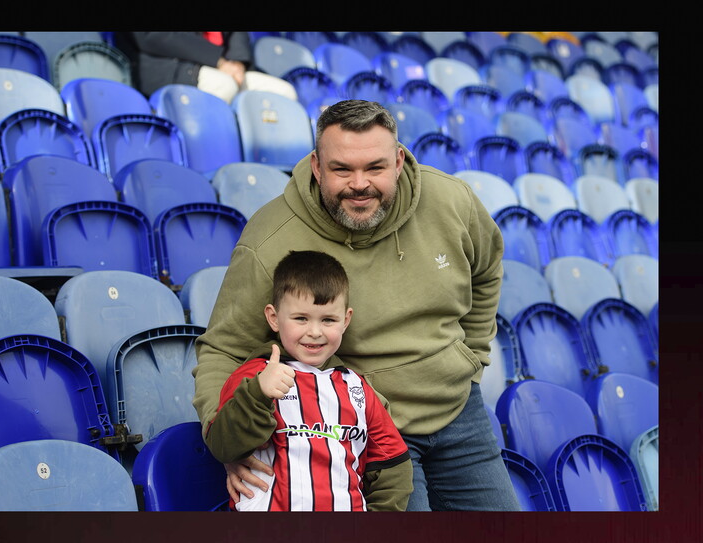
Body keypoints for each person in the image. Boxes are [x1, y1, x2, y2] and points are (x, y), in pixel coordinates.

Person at [192, 99, 520, 511]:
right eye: (341, 169)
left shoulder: (452, 201)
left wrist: (471, 358)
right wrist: (227, 442)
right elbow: (224, 348)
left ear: (398, 161)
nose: (359, 183)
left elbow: (487, 268)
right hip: (363, 431)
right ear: (316, 165)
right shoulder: (269, 237)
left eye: (375, 168)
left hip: (459, 410)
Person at [205, 250, 412, 511]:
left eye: (328, 320)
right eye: (301, 318)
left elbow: (393, 466)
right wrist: (258, 394)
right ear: (273, 318)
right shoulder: (253, 377)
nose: (314, 332)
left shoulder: (357, 389)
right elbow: (224, 447)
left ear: (346, 320)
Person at [114, 32, 295, 103]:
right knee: (223, 86)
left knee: (284, 92)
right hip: (169, 65)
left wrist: (238, 63)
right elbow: (153, 36)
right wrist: (218, 61)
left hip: (226, 65)